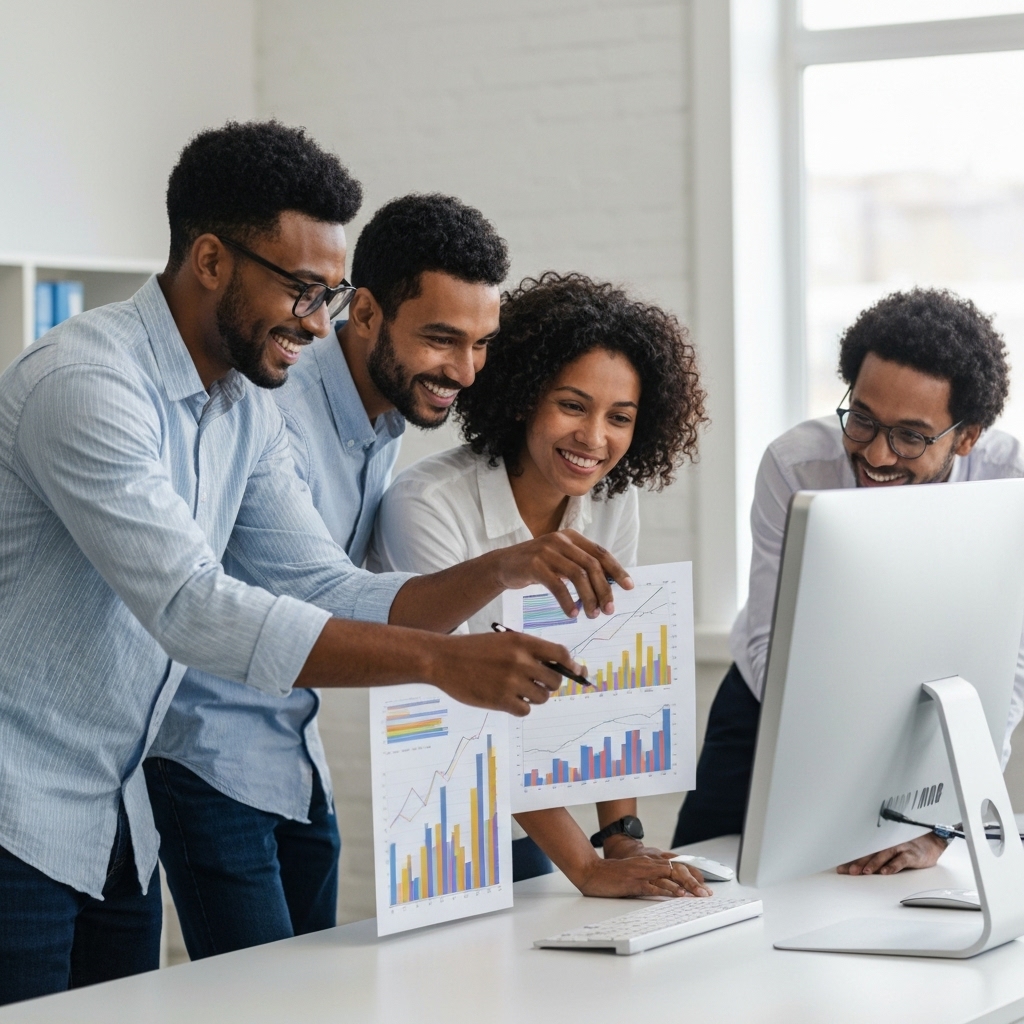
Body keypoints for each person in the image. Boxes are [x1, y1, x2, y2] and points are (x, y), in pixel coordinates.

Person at [0, 123, 628, 1006]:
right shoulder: (88, 384)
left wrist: (500, 570)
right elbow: (190, 606)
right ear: (211, 260)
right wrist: (443, 664)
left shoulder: (241, 404)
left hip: (115, 817)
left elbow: (323, 584)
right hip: (19, 809)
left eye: (329, 294)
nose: (317, 321)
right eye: (302, 289)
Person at [146, 192, 523, 960]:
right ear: (369, 315)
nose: (465, 370)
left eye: (482, 344)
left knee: (318, 986)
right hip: (207, 749)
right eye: (443, 340)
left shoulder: (384, 411)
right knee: (259, 1000)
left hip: (292, 747)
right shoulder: (276, 403)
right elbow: (316, 590)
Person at [372, 272, 712, 898]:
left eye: (621, 417)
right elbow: (468, 703)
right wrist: (584, 864)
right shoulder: (427, 504)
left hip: (541, 813)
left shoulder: (611, 500)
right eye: (572, 405)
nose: (594, 438)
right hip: (447, 814)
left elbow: (606, 677)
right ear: (525, 394)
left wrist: (621, 837)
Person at [672, 287, 1024, 877]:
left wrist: (947, 816)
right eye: (861, 419)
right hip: (777, 696)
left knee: (881, 887)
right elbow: (766, 641)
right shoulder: (795, 466)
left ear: (967, 436)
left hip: (932, 706)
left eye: (911, 435)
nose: (877, 454)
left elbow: (1010, 665)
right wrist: (842, 778)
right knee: (701, 879)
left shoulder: (1009, 485)